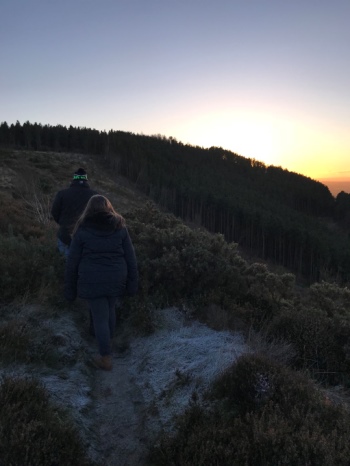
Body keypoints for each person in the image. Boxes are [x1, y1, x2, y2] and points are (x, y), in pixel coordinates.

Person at [64, 195, 138, 371]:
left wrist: (69, 289)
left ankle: (105, 357)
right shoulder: (120, 227)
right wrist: (133, 283)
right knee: (110, 310)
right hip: (116, 276)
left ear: (88, 209)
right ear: (108, 207)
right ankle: (108, 344)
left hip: (92, 278)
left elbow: (72, 262)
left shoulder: (82, 230)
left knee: (99, 317)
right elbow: (131, 258)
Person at [51, 168, 98, 257]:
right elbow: (99, 216)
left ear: (74, 179)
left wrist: (63, 223)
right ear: (86, 180)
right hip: (87, 238)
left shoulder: (62, 194)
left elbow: (54, 212)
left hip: (65, 236)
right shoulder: (95, 195)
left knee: (65, 266)